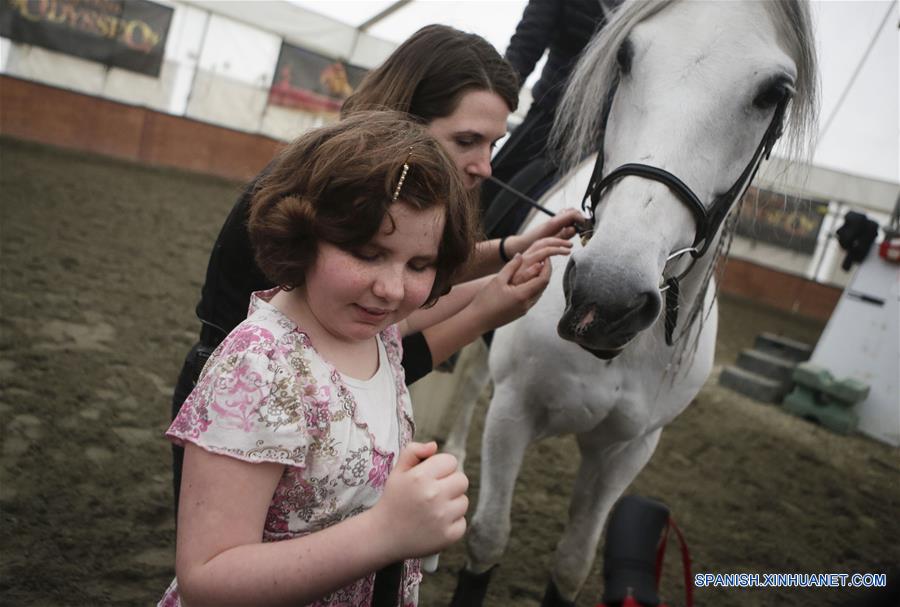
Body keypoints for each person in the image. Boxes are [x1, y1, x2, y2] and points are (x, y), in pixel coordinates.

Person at [169, 23, 584, 512]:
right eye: (467, 140)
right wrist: (485, 310)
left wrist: (511, 250)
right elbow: (371, 346)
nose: (484, 166)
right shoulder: (324, 194)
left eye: (492, 144)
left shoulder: (384, 211)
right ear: (404, 120)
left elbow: (399, 285)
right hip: (248, 420)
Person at [159, 111, 558, 607]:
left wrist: (496, 292)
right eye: (368, 253)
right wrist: (386, 532)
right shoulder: (260, 367)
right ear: (303, 234)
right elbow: (207, 578)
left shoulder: (373, 333)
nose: (391, 290)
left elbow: (421, 309)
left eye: (420, 264)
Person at [480, 0, 611, 239]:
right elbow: (525, 47)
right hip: (549, 120)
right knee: (487, 199)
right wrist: (489, 108)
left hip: (616, 130)